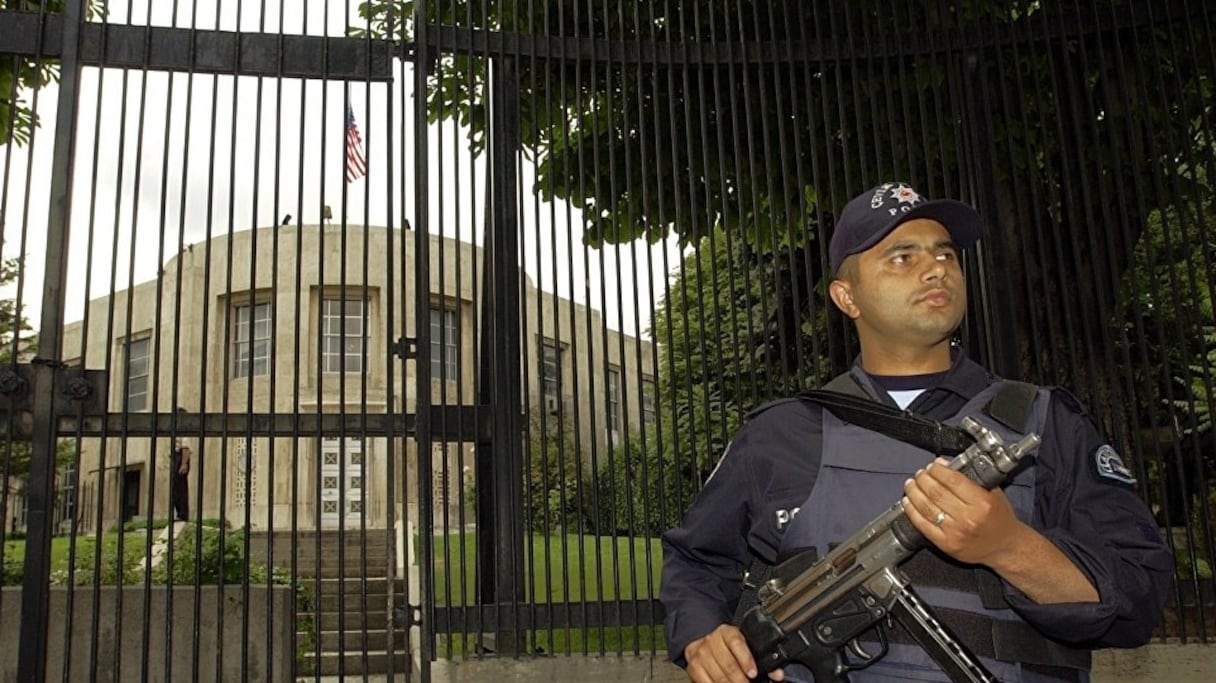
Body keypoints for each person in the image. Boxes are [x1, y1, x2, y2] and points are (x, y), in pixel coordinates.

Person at [659, 181, 1174, 683]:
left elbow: (1140, 595)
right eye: (903, 257)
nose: (935, 269)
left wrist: (1009, 547)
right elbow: (696, 559)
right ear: (847, 297)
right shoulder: (780, 433)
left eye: (945, 255)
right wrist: (703, 636)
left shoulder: (1046, 422)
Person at [170, 416, 191, 522]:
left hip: (180, 457)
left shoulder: (183, 430)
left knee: (180, 488)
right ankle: (179, 512)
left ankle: (183, 514)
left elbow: (186, 448)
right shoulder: (176, 430)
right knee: (175, 488)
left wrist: (183, 463)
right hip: (176, 457)